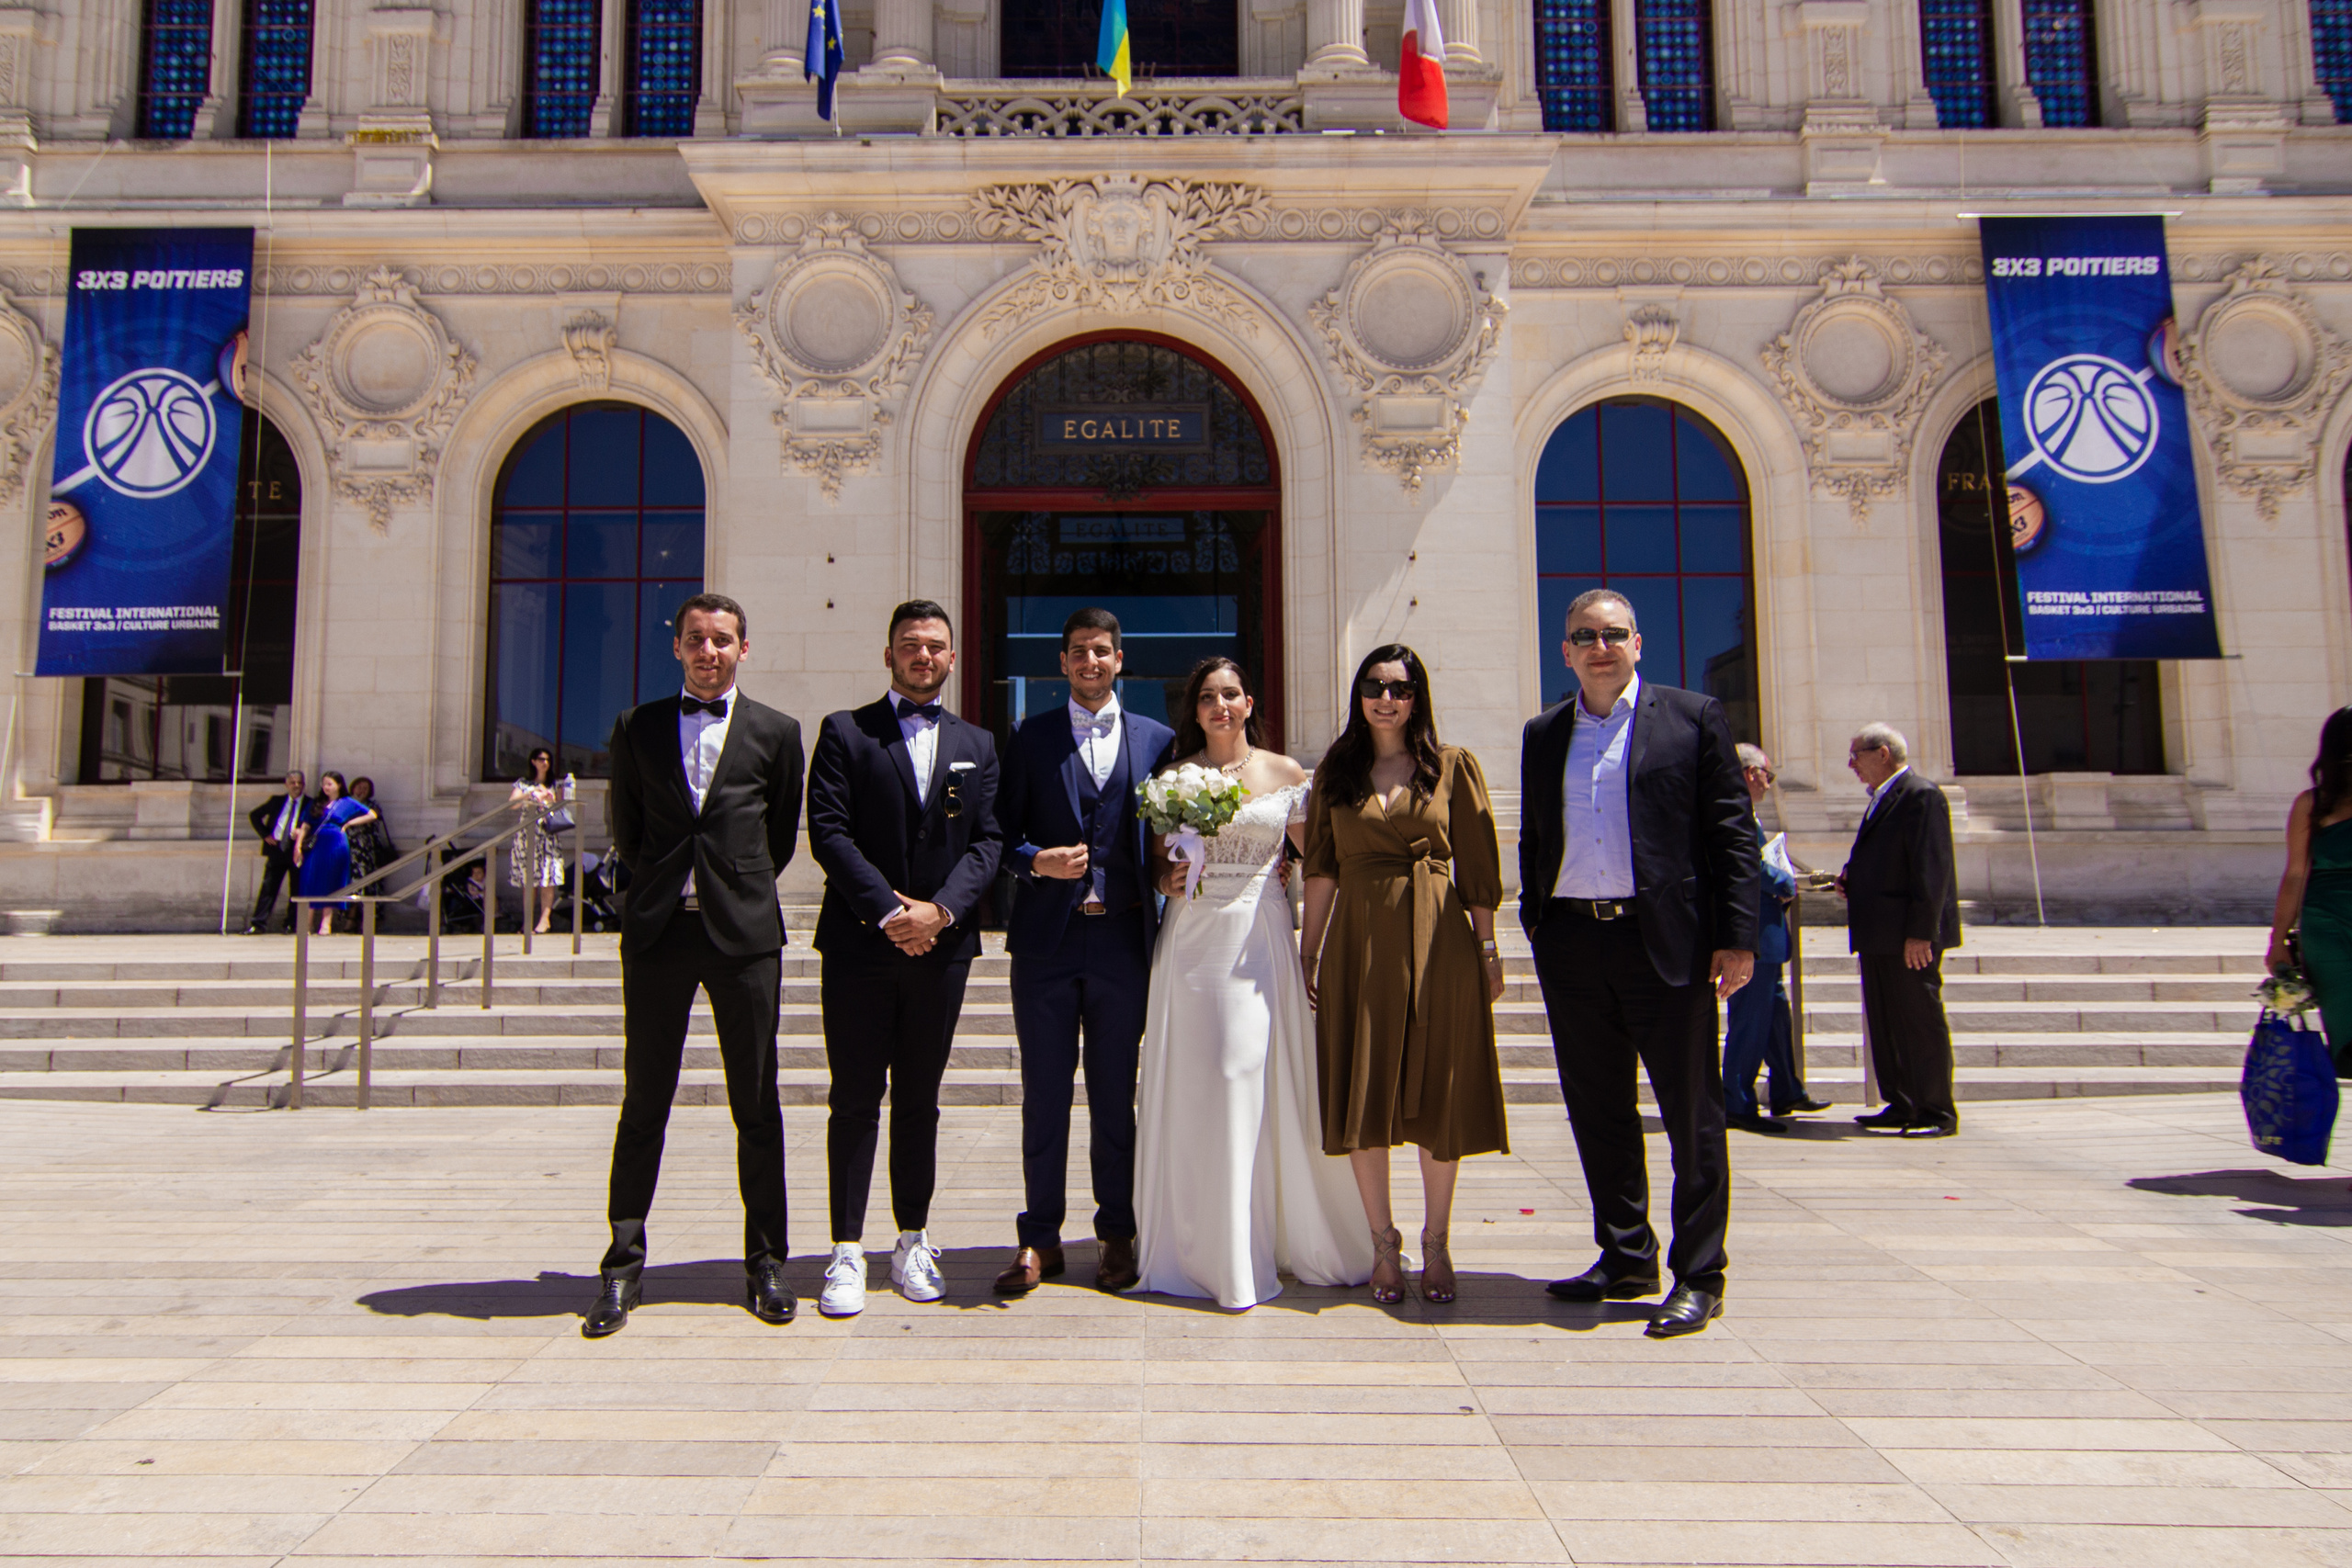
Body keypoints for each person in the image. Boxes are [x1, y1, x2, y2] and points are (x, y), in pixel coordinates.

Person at [1520, 590, 1758, 1340]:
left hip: (1667, 946)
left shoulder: (1691, 718)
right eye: (1585, 636)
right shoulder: (1544, 731)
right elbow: (1535, 834)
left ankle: (1700, 1275)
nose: (1601, 647)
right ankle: (1626, 1256)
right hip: (1573, 942)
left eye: (1613, 634)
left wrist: (1738, 936)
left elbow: (1731, 832)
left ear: (1638, 643)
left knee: (1693, 1115)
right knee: (1599, 1111)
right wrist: (1537, 922)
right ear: (1566, 651)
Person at [585, 592, 805, 1337]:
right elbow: (628, 829)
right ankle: (621, 1265)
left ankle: (766, 1263)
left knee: (757, 1104)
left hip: (744, 937)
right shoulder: (636, 727)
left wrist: (729, 888)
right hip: (659, 935)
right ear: (677, 646)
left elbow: (778, 835)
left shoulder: (778, 731)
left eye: (722, 639)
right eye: (696, 639)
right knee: (644, 1101)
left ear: (744, 647)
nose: (709, 651)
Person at [1133, 659, 1372, 1311]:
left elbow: (1317, 862)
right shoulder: (1173, 777)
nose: (1220, 705)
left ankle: (1247, 1248)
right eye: (1207, 696)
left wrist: (1314, 943)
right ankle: (1197, 1246)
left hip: (1257, 941)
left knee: (1244, 1074)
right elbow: (1159, 861)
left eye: (1231, 694)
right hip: (1190, 941)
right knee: (1197, 1082)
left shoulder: (1286, 773)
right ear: (1195, 709)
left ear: (1248, 703)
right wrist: (1164, 880)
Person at [805, 601, 1003, 1316]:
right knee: (855, 1098)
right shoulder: (845, 731)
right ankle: (845, 1249)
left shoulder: (979, 742)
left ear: (952, 657)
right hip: (860, 943)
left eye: (935, 646)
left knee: (920, 1098)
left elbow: (988, 840)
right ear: (888, 654)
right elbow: (828, 831)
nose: (923, 655)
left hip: (942, 950)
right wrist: (892, 913)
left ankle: (912, 1238)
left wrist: (940, 912)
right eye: (910, 644)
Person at [1299, 644, 1508, 1306]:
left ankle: (1437, 1241)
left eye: (1400, 687)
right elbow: (1321, 867)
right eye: (1374, 686)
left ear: (1417, 697)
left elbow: (1478, 863)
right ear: (1358, 695)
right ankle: (1383, 1244)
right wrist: (1310, 949)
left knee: (1439, 1088)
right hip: (1359, 945)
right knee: (1366, 1092)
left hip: (1441, 941)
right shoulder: (1336, 771)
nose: (1386, 698)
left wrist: (1488, 948)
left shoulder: (1451, 766)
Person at [991, 607, 1175, 1297]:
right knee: (1044, 1095)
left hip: (1123, 939)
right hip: (1047, 943)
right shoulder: (1029, 736)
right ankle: (1040, 1236)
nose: (1090, 661)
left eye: (1101, 651)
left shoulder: (1159, 741)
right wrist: (1034, 861)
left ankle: (1116, 1232)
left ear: (1119, 660)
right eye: (1078, 651)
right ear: (1062, 662)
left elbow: (1174, 837)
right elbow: (997, 834)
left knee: (1113, 1095)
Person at [1838, 722, 1962, 1138]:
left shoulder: (1921, 795)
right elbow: (1885, 856)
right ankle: (1903, 1102)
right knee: (1887, 1021)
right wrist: (1851, 877)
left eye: (1856, 755)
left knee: (1918, 1021)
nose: (1851, 765)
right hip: (1878, 933)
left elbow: (1932, 867)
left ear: (1883, 753)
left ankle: (1935, 1111)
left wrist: (1921, 932)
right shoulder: (1882, 798)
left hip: (1908, 937)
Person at [1722, 745, 1828, 1131]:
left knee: (1775, 1016)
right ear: (1751, 773)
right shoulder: (1733, 811)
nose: (1769, 784)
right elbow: (1748, 866)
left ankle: (1786, 1089)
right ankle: (1736, 1101)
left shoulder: (1743, 811)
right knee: (1751, 1021)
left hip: (1766, 935)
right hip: (1753, 934)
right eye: (1769, 775)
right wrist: (1785, 881)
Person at [2269, 707, 2352, 1074]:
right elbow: (2295, 875)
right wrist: (2278, 939)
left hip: (2326, 923)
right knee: (2347, 1024)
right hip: (2329, 929)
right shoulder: (2312, 804)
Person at [293, 773, 380, 938]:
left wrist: (349, 823)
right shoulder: (316, 803)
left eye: (330, 784)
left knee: (331, 881)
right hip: (316, 844)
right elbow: (305, 825)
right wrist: (298, 845)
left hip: (336, 843)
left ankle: (326, 923)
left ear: (339, 785)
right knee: (309, 880)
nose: (326, 787)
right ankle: (307, 923)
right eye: (324, 784)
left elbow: (372, 814)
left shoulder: (347, 802)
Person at [509, 748, 568, 935]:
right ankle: (527, 922)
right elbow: (513, 803)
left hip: (547, 835)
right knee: (529, 882)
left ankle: (544, 920)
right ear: (533, 761)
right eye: (541, 759)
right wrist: (532, 794)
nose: (545, 763)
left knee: (547, 879)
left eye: (548, 759)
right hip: (527, 836)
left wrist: (550, 799)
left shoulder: (555, 784)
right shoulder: (524, 783)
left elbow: (562, 807)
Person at [245, 771, 311, 933]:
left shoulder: (310, 803)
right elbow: (254, 815)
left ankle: (291, 924)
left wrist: (303, 833)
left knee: (296, 888)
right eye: (293, 782)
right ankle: (258, 924)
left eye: (299, 783)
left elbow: (317, 824)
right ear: (286, 784)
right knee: (268, 887)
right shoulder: (277, 801)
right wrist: (265, 835)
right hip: (277, 849)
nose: (296, 786)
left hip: (297, 851)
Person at [345, 778, 397, 905]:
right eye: (359, 787)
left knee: (366, 883)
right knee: (350, 884)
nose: (361, 791)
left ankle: (366, 913)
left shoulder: (372, 805)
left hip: (367, 850)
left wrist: (350, 822)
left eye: (365, 788)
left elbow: (373, 816)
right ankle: (350, 914)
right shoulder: (345, 803)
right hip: (349, 849)